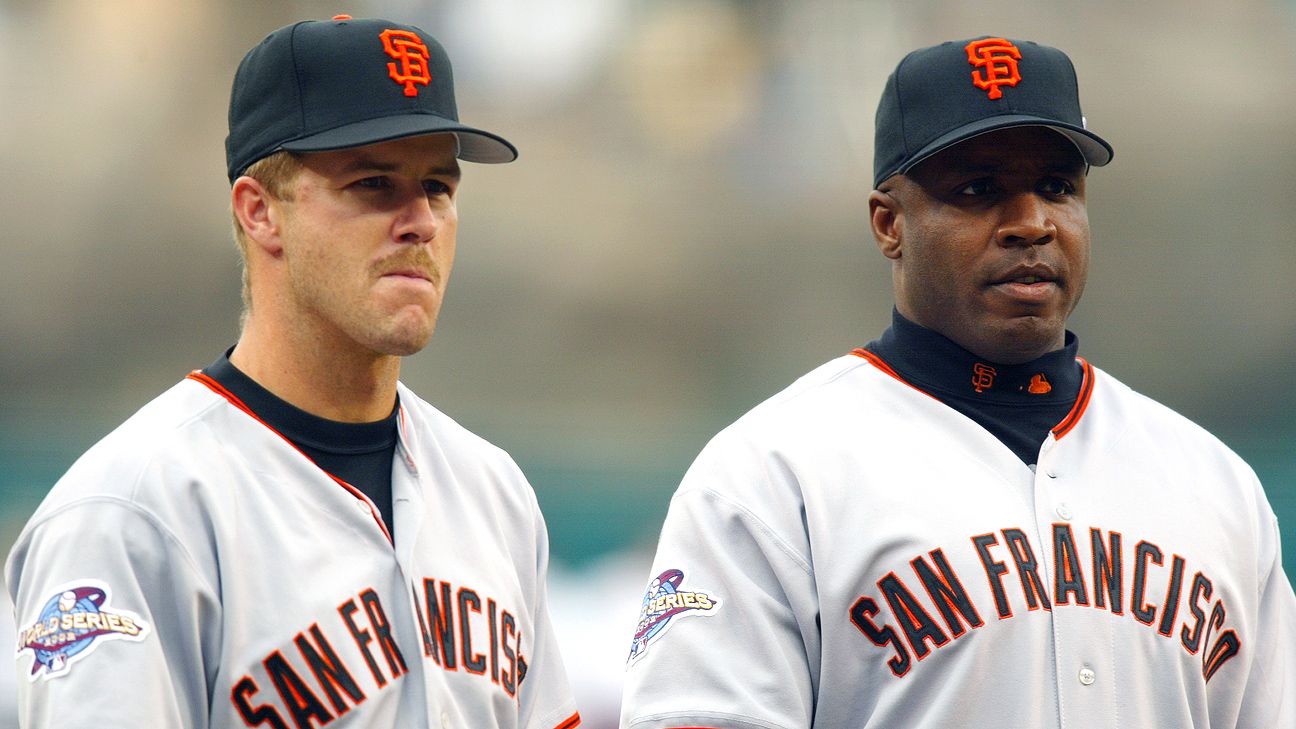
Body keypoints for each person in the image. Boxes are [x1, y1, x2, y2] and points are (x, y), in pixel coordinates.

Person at [619, 36, 1295, 728]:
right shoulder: (774, 474)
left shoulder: (1215, 485)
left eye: (1057, 187)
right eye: (979, 190)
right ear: (889, 223)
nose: (1031, 223)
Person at [6, 15, 581, 729]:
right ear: (260, 213)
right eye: (374, 183)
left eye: (437, 186)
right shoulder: (130, 513)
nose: (421, 222)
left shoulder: (494, 492)